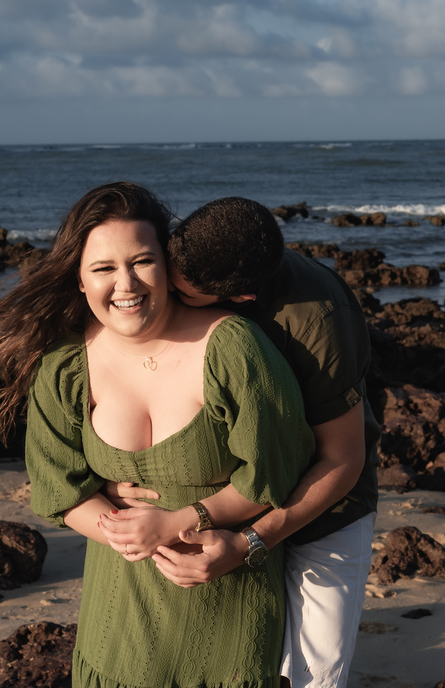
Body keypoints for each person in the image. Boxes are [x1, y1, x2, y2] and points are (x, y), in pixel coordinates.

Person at [0, 183, 314, 688]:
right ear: (80, 281)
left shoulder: (233, 348)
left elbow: (275, 476)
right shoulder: (65, 365)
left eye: (142, 262)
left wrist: (184, 518)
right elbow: (57, 490)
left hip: (226, 612)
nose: (126, 284)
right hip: (119, 622)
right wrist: (130, 529)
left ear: (168, 267)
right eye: (104, 268)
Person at [104, 197, 380, 688]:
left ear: (242, 302)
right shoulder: (179, 257)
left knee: (311, 673)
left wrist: (250, 542)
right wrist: (116, 475)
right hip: (220, 500)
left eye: (185, 296)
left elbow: (344, 458)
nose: (164, 292)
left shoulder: (317, 319)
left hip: (321, 506)